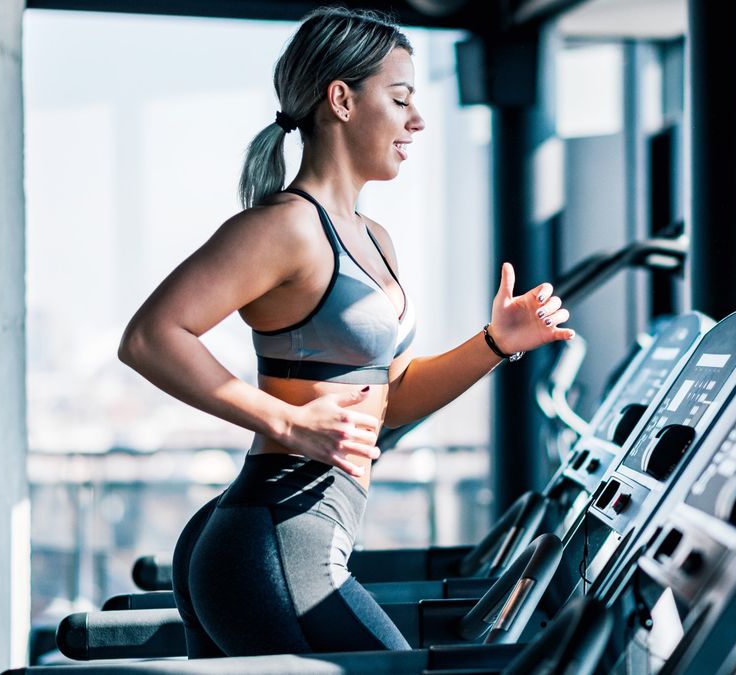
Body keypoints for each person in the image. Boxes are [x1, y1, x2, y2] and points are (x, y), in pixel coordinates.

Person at [118, 6, 573, 658]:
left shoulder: (374, 238)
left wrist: (495, 342)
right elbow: (150, 336)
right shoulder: (285, 227)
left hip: (289, 536)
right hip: (276, 538)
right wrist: (285, 420)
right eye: (400, 97)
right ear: (341, 99)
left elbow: (393, 399)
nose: (416, 120)